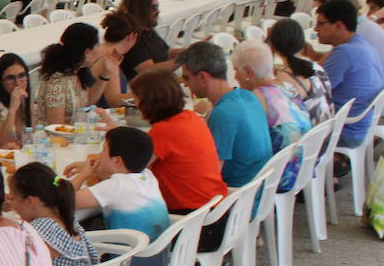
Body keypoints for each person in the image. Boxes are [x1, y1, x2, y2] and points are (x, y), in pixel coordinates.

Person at [130, 69, 227, 249]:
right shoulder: (191, 118)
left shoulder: (164, 131)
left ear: (150, 101)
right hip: (215, 215)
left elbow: (130, 170)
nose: (135, 104)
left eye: (136, 98)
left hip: (193, 225)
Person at [66, 126, 171, 266]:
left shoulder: (116, 186)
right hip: (157, 261)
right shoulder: (147, 175)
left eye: (103, 150)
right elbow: (114, 177)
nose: (100, 155)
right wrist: (92, 169)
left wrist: (83, 175)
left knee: (72, 235)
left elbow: (66, 200)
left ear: (117, 160)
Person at [7, 162, 98, 266]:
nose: (11, 205)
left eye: (12, 198)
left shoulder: (39, 232)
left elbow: (4, 264)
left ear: (30, 201)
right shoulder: (61, 216)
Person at [179, 42, 271, 188]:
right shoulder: (248, 96)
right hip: (259, 191)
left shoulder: (223, 114)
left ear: (203, 77)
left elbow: (211, 175)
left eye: (186, 78)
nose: (184, 84)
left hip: (238, 199)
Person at [231, 41, 310, 191]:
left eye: (236, 71)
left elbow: (244, 141)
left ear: (248, 72)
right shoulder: (288, 87)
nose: (235, 76)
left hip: (280, 176)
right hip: (304, 165)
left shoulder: (257, 98)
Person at [313, 0, 384, 146]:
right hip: (361, 125)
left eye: (321, 23)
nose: (315, 29)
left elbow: (312, 91)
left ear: (339, 25)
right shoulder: (363, 45)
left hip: (344, 131)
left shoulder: (345, 53)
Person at [267, 18, 334, 125]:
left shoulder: (284, 81)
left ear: (273, 45)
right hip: (325, 132)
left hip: (309, 138)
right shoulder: (316, 66)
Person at [37, 22, 103, 125]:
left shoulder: (78, 72)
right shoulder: (56, 83)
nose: (100, 50)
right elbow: (57, 127)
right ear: (87, 52)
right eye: (97, 46)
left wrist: (107, 72)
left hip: (75, 135)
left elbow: (88, 103)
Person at [107, 0, 176, 78]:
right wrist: (183, 59)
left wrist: (192, 50)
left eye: (157, 7)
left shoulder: (147, 29)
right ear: (141, 10)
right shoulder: (131, 36)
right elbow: (148, 70)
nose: (158, 11)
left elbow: (169, 52)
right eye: (154, 8)